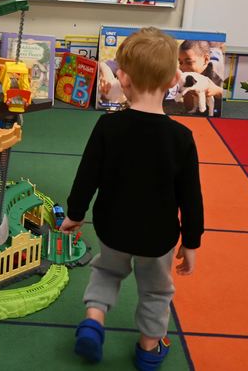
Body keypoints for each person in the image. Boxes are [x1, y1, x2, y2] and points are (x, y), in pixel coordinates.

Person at [60, 27, 204, 370]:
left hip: (113, 227)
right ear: (173, 79)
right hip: (158, 237)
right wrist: (192, 241)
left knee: (106, 274)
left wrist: (75, 214)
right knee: (156, 291)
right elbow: (191, 196)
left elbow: (87, 176)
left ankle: (94, 322)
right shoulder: (181, 138)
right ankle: (149, 348)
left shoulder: (108, 127)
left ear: (123, 79)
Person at [177, 39, 224, 114]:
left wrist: (218, 91)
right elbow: (189, 107)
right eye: (180, 62)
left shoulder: (218, 75)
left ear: (206, 59)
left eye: (189, 62)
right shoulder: (186, 77)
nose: (183, 67)